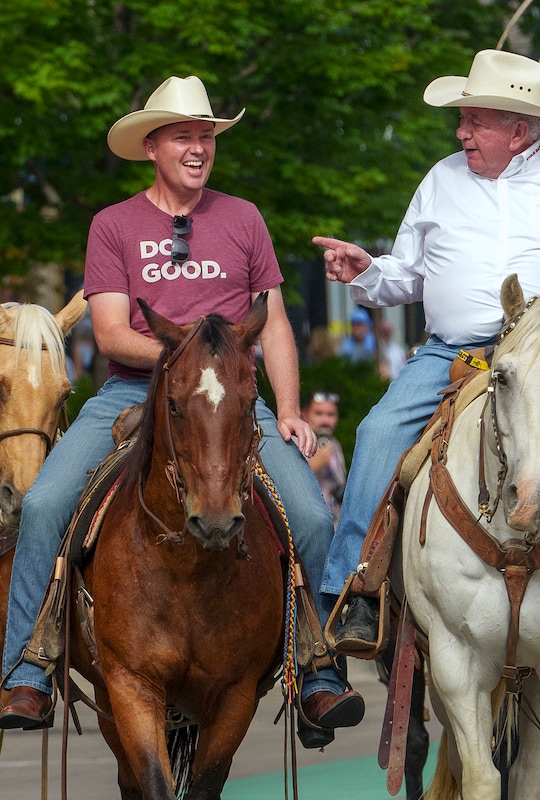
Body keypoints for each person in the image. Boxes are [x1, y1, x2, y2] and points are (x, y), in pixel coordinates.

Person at [0, 75, 364, 743]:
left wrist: (288, 407)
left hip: (234, 403)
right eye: (184, 137)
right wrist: (189, 362)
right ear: (151, 146)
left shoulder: (244, 217)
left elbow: (275, 323)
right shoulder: (114, 225)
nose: (198, 148)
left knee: (311, 515)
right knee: (46, 502)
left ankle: (316, 668)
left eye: (206, 136)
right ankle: (27, 663)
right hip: (130, 393)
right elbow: (109, 332)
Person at [313, 49, 540, 665]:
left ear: (519, 128)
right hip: (454, 351)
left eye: (473, 120)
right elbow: (404, 274)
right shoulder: (440, 178)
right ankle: (355, 592)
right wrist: (366, 272)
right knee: (377, 431)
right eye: (461, 121)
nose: (460, 132)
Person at [302, 391, 346, 526]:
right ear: (305, 415)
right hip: (309, 523)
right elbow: (284, 488)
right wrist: (314, 465)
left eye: (330, 414)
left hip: (335, 522)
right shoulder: (295, 443)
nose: (325, 420)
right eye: (319, 413)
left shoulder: (334, 445)